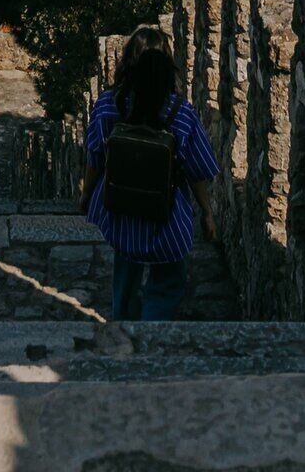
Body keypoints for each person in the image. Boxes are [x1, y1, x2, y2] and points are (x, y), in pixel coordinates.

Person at [78, 25, 220, 322]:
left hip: (121, 216)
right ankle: (154, 332)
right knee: (168, 284)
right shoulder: (182, 114)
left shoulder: (108, 104)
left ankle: (124, 330)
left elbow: (95, 158)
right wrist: (207, 213)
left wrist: (87, 194)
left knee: (125, 279)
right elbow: (197, 171)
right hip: (166, 220)